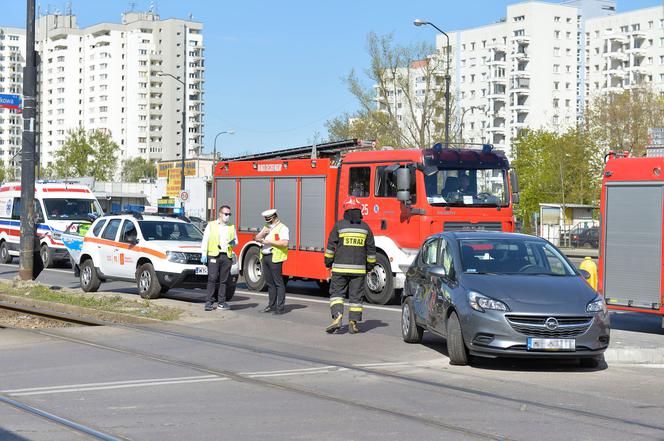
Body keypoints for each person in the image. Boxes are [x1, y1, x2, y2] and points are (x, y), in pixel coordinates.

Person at [324, 196, 376, 334]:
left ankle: (337, 315)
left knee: (337, 294)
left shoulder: (339, 225)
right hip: (358, 271)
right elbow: (371, 251)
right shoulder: (365, 228)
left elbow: (330, 246)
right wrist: (370, 266)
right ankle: (353, 323)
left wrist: (328, 262)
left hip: (339, 269)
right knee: (356, 297)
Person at [200, 206, 237, 311]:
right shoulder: (211, 225)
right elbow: (205, 240)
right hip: (214, 255)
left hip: (226, 256)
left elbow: (236, 241)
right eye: (226, 214)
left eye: (229, 214)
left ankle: (221, 302)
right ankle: (209, 302)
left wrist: (233, 243)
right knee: (212, 279)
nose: (228, 216)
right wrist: (203, 254)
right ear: (220, 214)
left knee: (224, 280)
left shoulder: (231, 226)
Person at [254, 208, 289, 314]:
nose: (266, 221)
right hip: (265, 256)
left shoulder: (283, 228)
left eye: (268, 219)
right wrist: (261, 235)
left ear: (273, 217)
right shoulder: (267, 227)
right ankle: (271, 305)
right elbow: (256, 238)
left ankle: (280, 307)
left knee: (278, 283)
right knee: (269, 283)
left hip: (275, 257)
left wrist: (269, 241)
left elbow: (284, 243)